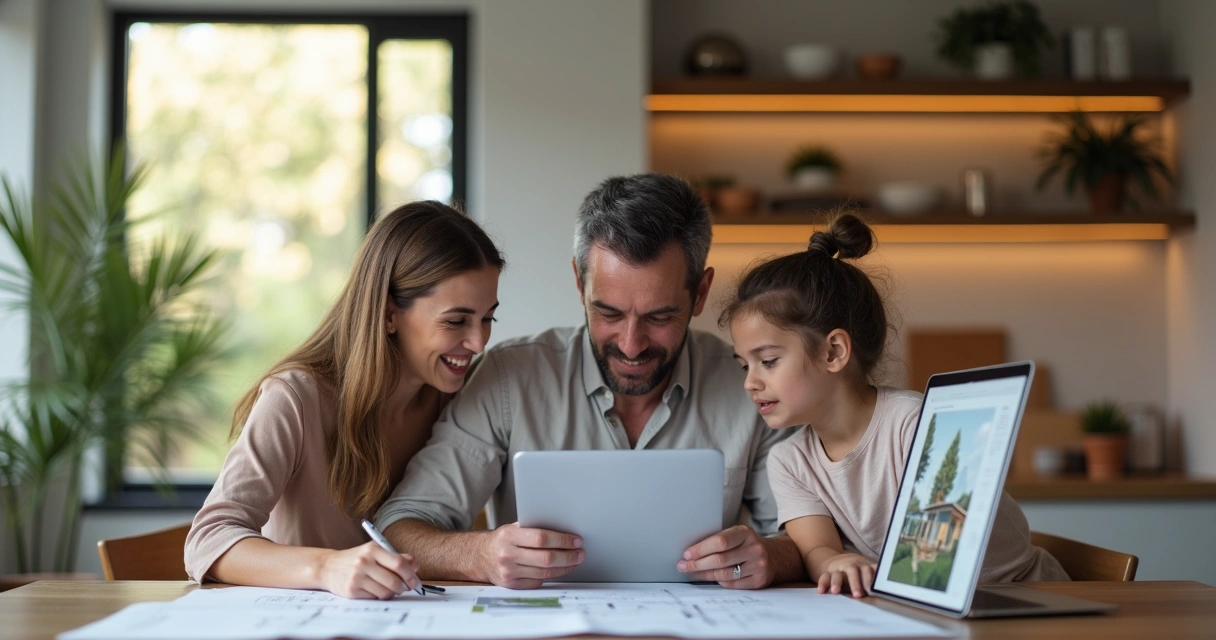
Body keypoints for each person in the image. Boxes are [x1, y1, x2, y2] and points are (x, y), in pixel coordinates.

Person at [374, 173, 805, 589]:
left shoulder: (751, 383)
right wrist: (480, 554)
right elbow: (399, 527)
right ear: (580, 284)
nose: (632, 345)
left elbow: (809, 540)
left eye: (659, 316)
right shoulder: (508, 378)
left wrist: (772, 557)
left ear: (701, 292)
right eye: (610, 313)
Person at [721, 212, 1068, 599]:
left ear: (833, 351)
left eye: (768, 361)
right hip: (921, 602)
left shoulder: (915, 424)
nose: (750, 382)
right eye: (744, 365)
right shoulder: (789, 460)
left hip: (1024, 594)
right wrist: (835, 562)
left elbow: (932, 556)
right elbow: (818, 548)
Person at [184, 201, 505, 599]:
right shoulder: (296, 398)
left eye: (488, 318)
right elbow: (209, 538)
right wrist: (326, 567)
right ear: (389, 314)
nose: (478, 342)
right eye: (456, 321)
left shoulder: (462, 397)